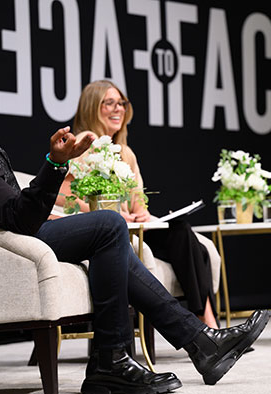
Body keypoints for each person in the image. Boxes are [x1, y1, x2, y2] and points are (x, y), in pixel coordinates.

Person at [0, 48, 271, 394]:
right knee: (108, 225)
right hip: (3, 248)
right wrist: (57, 164)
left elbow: (8, 208)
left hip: (3, 240)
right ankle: (127, 357)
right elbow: (18, 216)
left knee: (109, 233)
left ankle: (182, 346)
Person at [57, 80, 220, 329]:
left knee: (187, 237)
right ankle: (207, 323)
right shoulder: (83, 144)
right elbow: (61, 193)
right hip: (110, 231)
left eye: (121, 103)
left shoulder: (125, 152)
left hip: (135, 228)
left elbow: (137, 200)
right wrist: (105, 213)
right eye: (109, 103)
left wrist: (141, 213)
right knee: (184, 237)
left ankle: (206, 321)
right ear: (92, 107)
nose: (118, 109)